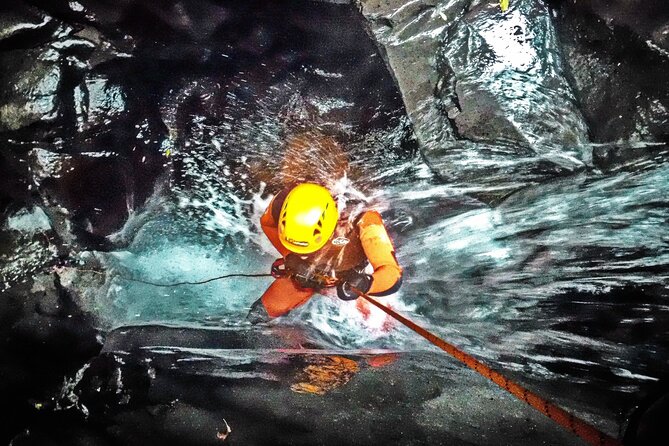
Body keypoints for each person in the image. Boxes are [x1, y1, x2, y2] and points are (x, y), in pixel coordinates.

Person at [248, 182, 402, 322]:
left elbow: (392, 272)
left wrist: (365, 284)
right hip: (305, 275)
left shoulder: (364, 218)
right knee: (256, 317)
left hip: (352, 277)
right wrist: (290, 256)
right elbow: (267, 224)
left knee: (380, 327)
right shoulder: (282, 202)